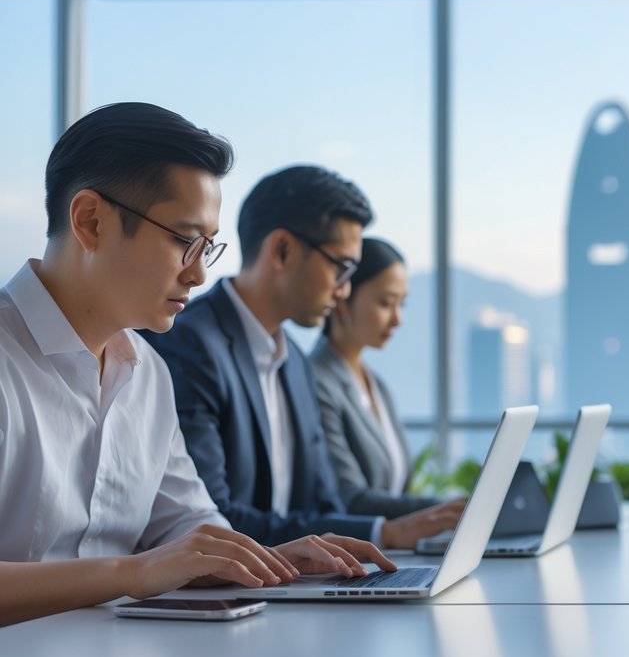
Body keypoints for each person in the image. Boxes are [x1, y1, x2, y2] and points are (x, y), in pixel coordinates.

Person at [0, 102, 393, 626]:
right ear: (91, 221)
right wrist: (129, 573)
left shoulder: (148, 373)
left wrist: (268, 561)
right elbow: (145, 567)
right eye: (186, 242)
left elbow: (190, 528)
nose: (199, 274)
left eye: (208, 246)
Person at [145, 166, 461, 547]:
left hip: (294, 587)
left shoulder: (295, 363)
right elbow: (208, 519)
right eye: (340, 268)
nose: (344, 291)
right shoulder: (189, 345)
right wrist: (384, 533)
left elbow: (323, 503)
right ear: (283, 250)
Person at [310, 237, 454, 517]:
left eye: (402, 304)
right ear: (343, 297)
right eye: (386, 303)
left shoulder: (376, 385)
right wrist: (448, 509)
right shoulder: (315, 381)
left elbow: (397, 490)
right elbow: (348, 498)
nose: (398, 319)